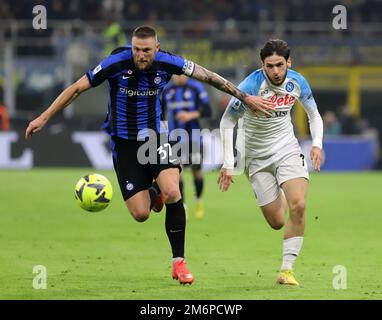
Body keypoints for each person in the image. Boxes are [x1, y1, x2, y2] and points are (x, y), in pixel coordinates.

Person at [25, 25, 274, 285]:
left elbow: (209, 76)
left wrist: (245, 98)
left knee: (174, 192)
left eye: (146, 50)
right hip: (124, 145)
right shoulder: (116, 63)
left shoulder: (168, 63)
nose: (140, 55)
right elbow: (77, 88)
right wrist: (44, 117)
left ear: (156, 48)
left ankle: (179, 263)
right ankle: (154, 191)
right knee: (141, 213)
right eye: (136, 50)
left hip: (155, 138)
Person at [218, 39, 323, 286]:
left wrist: (317, 143)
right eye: (269, 66)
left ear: (289, 62)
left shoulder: (297, 82)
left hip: (286, 148)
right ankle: (282, 189)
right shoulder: (250, 86)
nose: (275, 71)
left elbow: (313, 115)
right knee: (277, 221)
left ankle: (287, 270)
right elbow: (226, 123)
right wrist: (227, 162)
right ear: (262, 65)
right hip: (255, 158)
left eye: (279, 65)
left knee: (298, 205)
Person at [162, 74, 211, 219]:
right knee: (178, 172)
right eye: (175, 74)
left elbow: (208, 111)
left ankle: (198, 200)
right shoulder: (166, 90)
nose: (178, 77)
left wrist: (190, 115)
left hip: (193, 137)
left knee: (197, 170)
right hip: (174, 138)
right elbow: (160, 112)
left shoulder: (196, 88)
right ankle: (183, 206)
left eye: (180, 74)